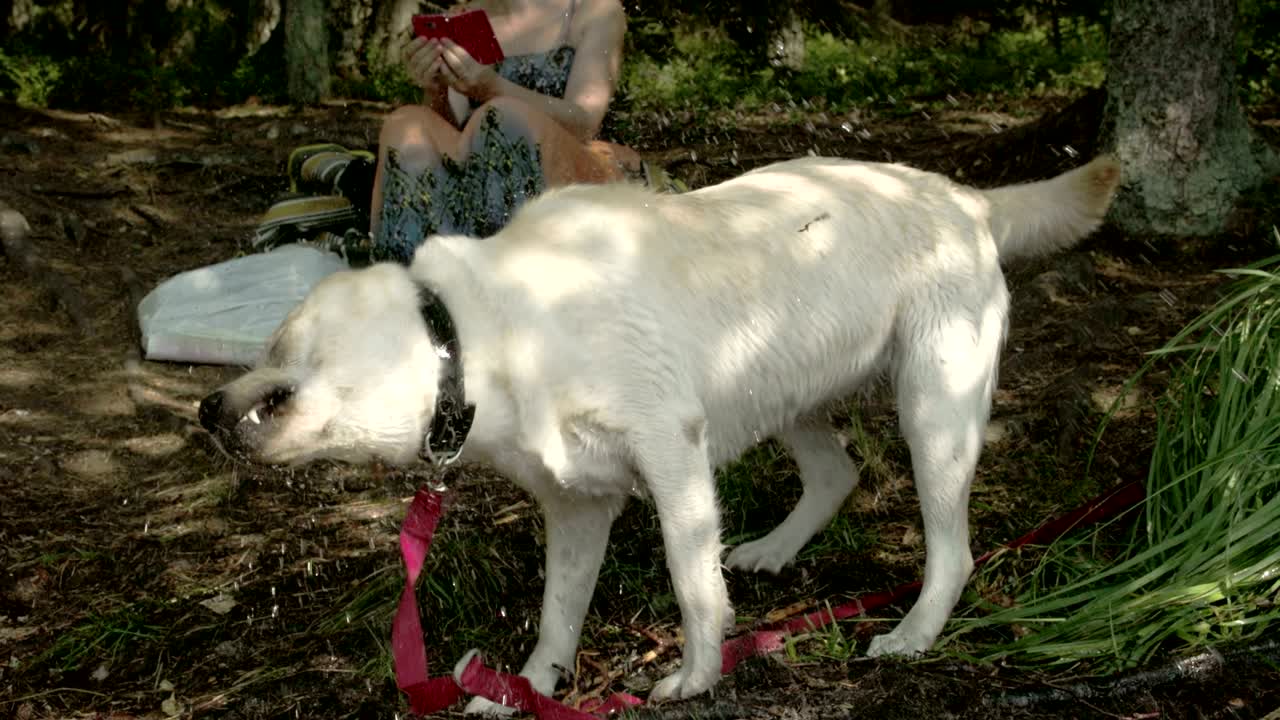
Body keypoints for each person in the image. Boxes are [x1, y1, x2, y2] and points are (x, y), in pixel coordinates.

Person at [258, 0, 673, 266]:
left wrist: (493, 89)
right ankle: (409, 281)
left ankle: (515, 277)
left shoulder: (594, 10)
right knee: (407, 122)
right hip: (478, 177)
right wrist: (436, 86)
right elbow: (454, 134)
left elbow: (585, 120)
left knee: (505, 116)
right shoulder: (465, 19)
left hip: (569, 173)